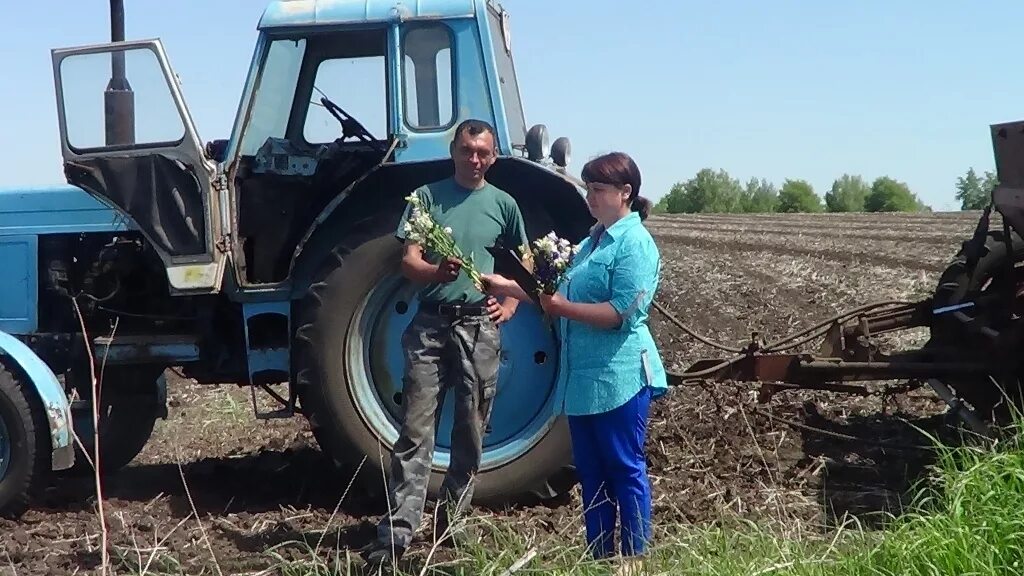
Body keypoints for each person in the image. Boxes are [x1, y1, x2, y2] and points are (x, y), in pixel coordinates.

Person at [481, 151, 666, 571]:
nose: (590, 197)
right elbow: (554, 294)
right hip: (582, 379)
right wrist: (505, 285)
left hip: (619, 376)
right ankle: (599, 557)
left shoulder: (635, 244)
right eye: (588, 189)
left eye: (597, 189)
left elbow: (622, 313)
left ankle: (634, 558)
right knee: (592, 472)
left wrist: (561, 308)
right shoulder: (591, 242)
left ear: (625, 192)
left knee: (624, 467)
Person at [362, 119, 529, 568]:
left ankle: (452, 523)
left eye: (483, 153)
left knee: (472, 429)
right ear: (453, 151)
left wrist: (510, 304)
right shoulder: (426, 198)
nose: (475, 159)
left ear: (494, 157)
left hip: (479, 327)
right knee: (416, 430)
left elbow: (526, 263)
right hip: (431, 325)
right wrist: (436, 272)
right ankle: (398, 532)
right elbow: (408, 261)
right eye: (467, 150)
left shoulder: (504, 205)